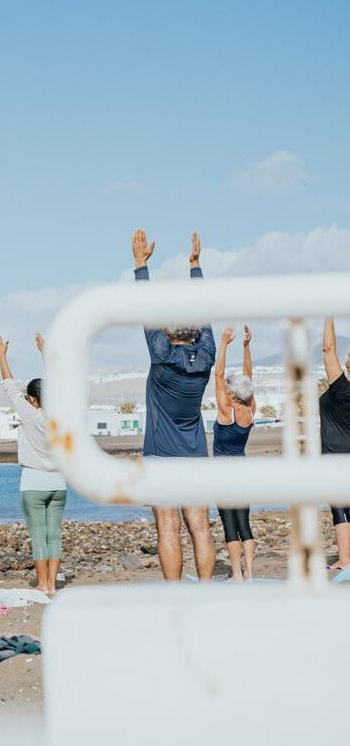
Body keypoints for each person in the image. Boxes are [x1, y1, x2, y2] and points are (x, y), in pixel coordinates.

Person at [132, 228, 216, 581]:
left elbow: (146, 310)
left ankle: (174, 594)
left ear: (168, 331)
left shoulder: (162, 355)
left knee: (167, 527)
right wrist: (195, 268)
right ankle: (207, 588)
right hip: (195, 455)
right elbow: (207, 316)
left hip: (162, 456)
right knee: (200, 526)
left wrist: (140, 266)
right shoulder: (207, 356)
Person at [0, 331, 67, 596]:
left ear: (32, 400)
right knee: (54, 534)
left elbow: (9, 386)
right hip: (58, 482)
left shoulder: (29, 414)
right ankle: (53, 586)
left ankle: (44, 583)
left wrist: (1, 355)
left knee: (39, 535)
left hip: (34, 482)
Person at [213, 324, 257, 581]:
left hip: (222, 474)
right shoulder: (250, 411)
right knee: (245, 523)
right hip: (243, 471)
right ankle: (250, 571)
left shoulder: (226, 411)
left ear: (231, 393)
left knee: (229, 525)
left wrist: (223, 343)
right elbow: (248, 378)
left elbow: (218, 375)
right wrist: (246, 347)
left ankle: (238, 574)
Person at [320, 317, 350, 571]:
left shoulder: (343, 390)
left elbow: (329, 349)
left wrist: (327, 311)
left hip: (336, 459)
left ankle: (345, 558)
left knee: (340, 509)